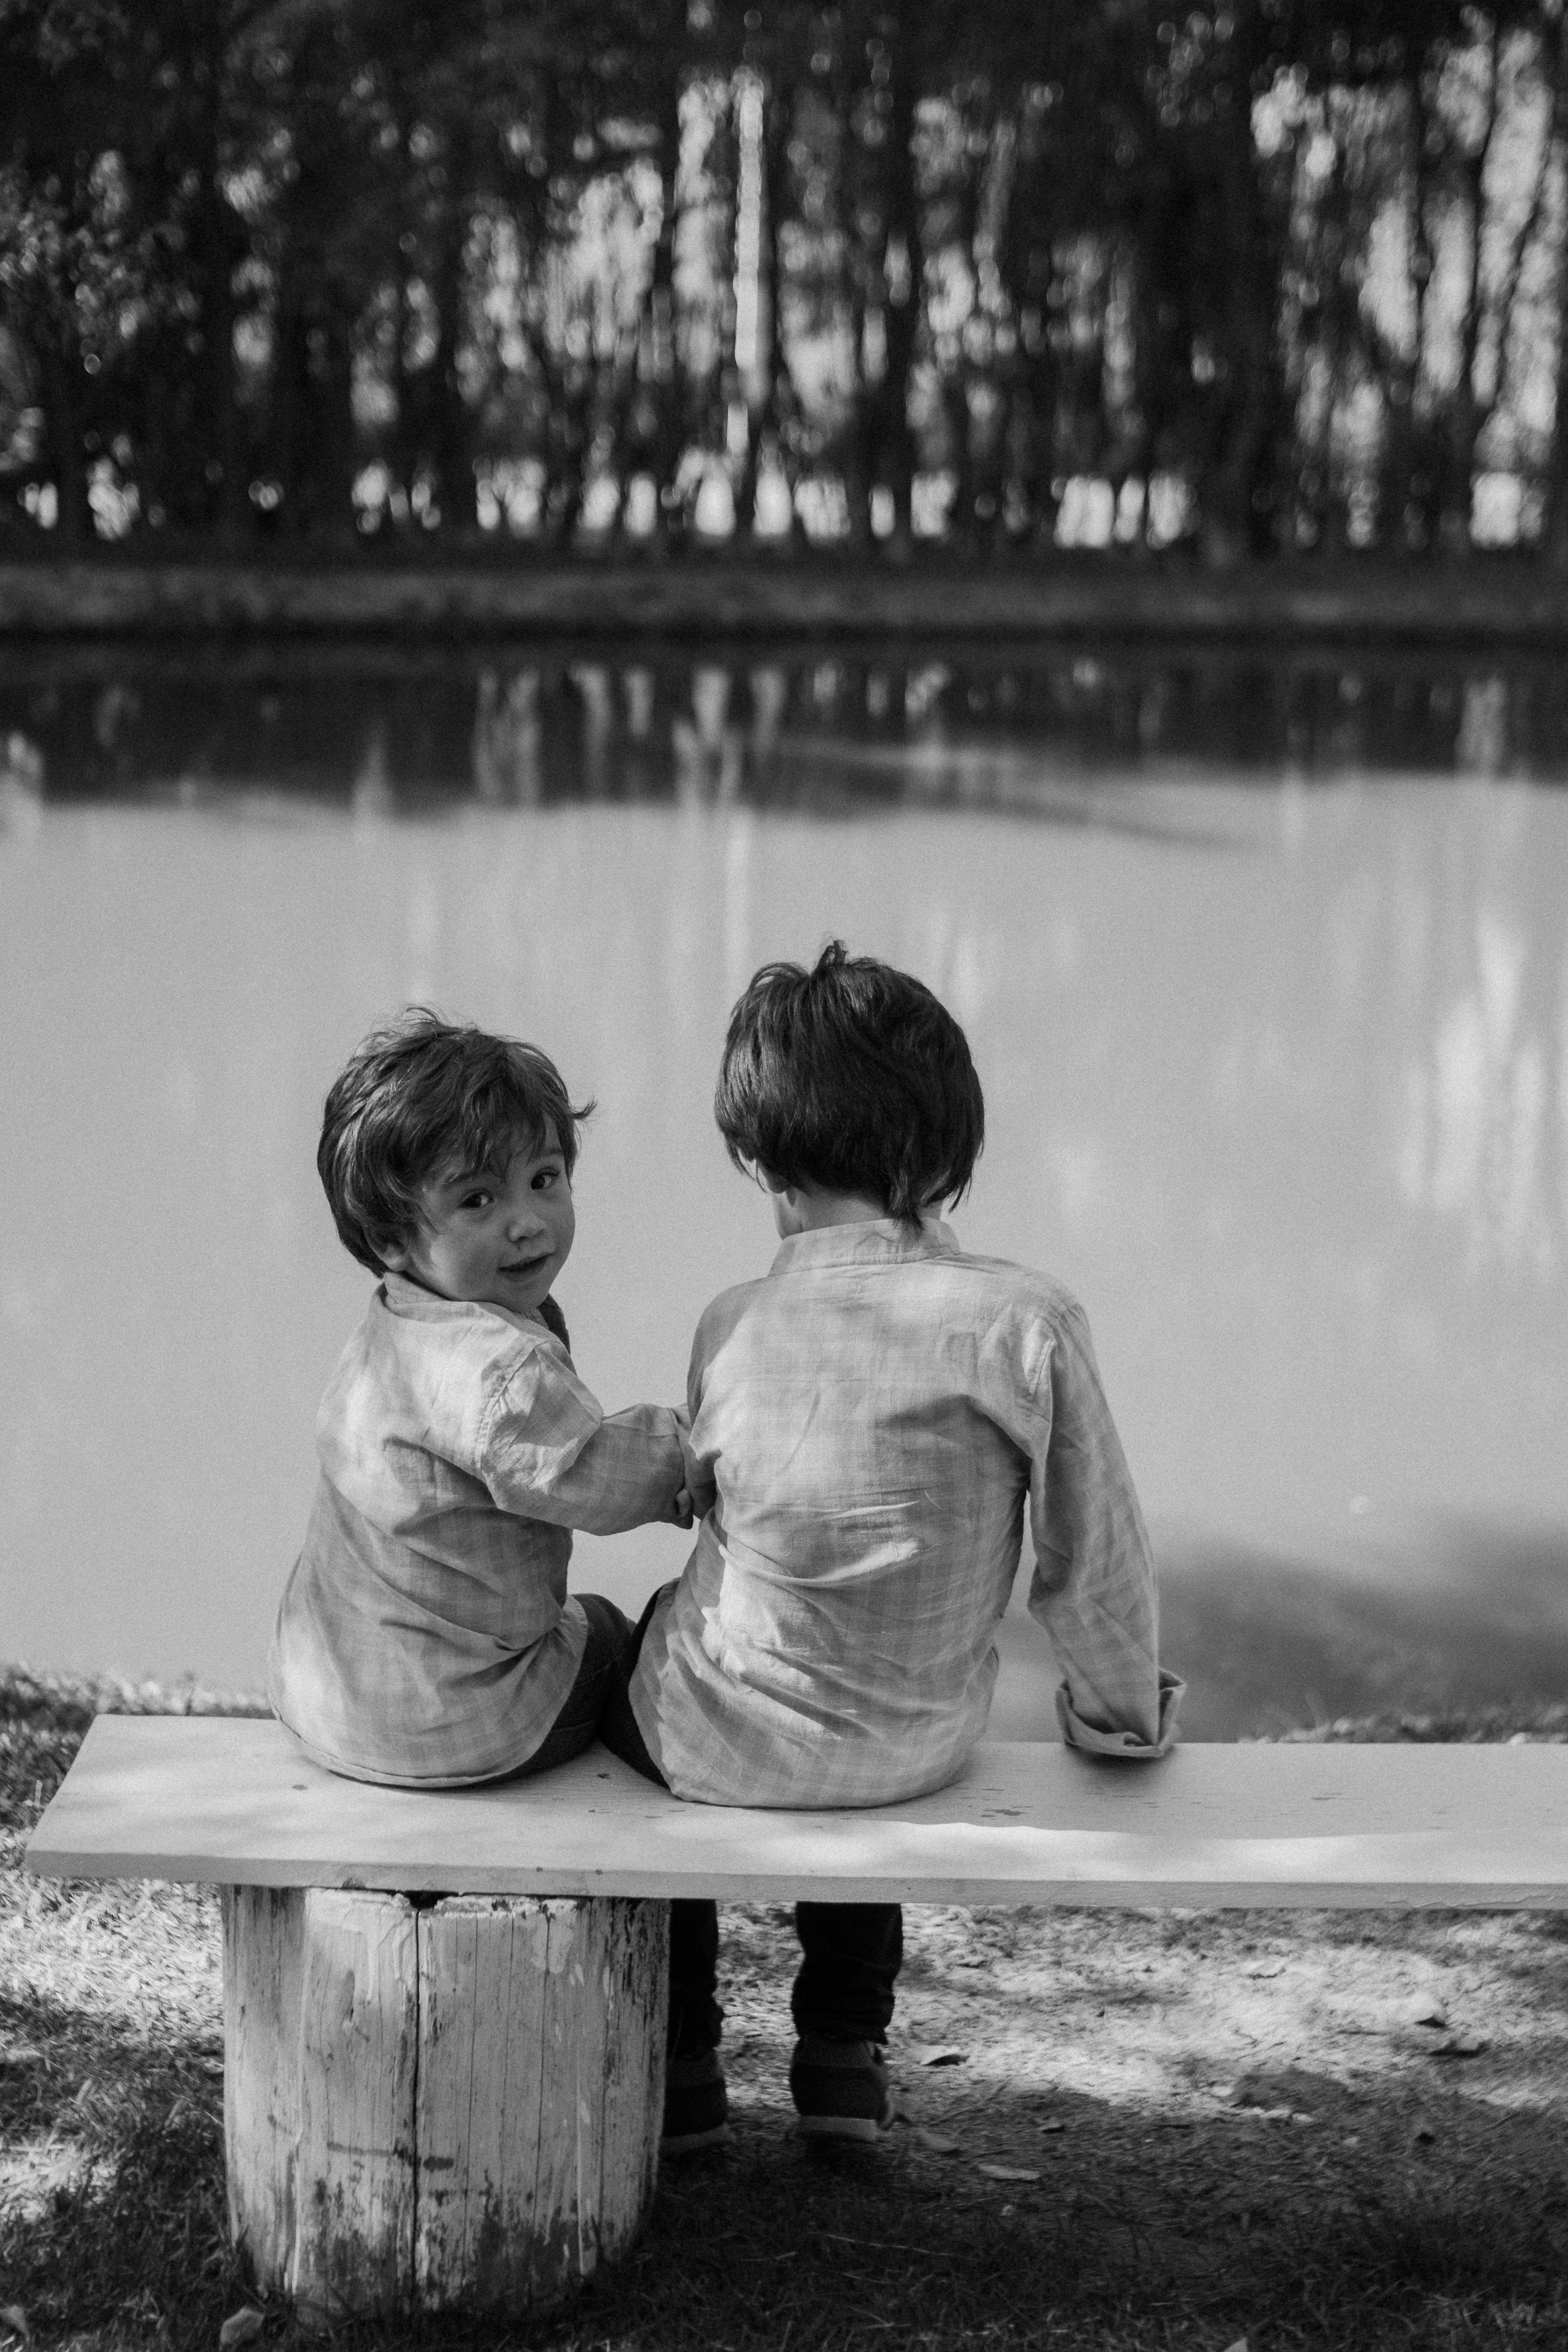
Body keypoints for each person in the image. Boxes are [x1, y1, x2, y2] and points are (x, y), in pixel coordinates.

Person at [600, 941, 1182, 2151]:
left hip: (720, 1743)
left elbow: (723, 1512)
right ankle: (845, 2059)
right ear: (940, 1154)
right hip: (916, 1747)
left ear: (762, 1156)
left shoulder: (731, 1319)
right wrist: (1123, 1714)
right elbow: (1096, 1558)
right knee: (865, 1664)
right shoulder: (1027, 1321)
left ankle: (686, 2064)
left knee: (640, 1654)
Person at [269, 1008, 691, 1788]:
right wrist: (700, 1448)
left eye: (544, 1180)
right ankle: (674, 1839)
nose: (528, 1223)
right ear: (391, 1239)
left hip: (327, 1697)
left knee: (569, 1620)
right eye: (477, 1202)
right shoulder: (498, 1373)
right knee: (613, 1638)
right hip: (454, 1726)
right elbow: (594, 1473)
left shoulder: (391, 1327)